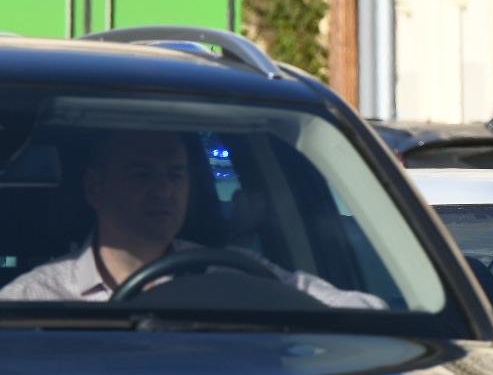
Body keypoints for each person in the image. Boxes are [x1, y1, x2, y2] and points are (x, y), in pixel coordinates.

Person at [0, 129, 384, 308]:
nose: (163, 190)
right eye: (142, 175)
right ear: (95, 189)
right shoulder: (33, 300)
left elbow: (358, 311)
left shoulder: (234, 275)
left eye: (176, 175)